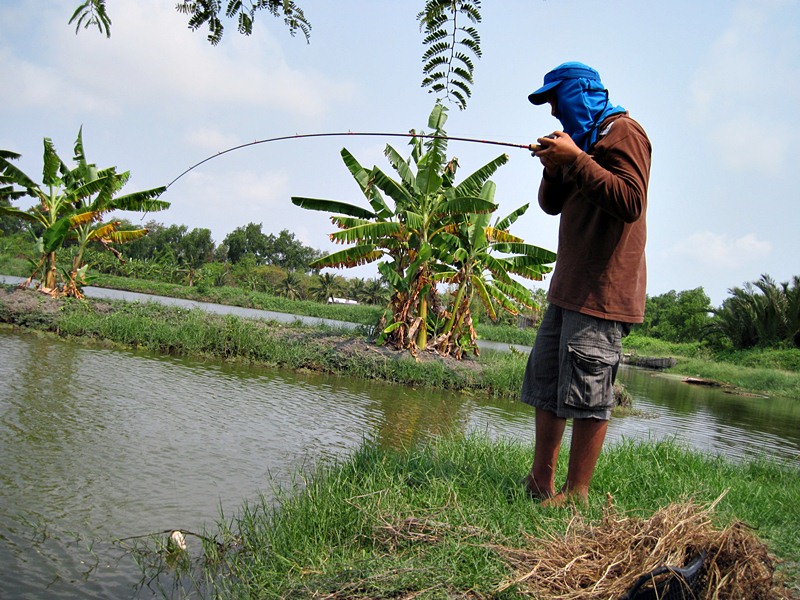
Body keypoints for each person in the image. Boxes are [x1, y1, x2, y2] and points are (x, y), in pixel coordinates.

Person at [521, 61, 652, 507]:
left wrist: (576, 159)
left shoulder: (624, 133)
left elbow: (630, 201)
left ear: (582, 93)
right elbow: (549, 206)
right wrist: (554, 166)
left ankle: (576, 494)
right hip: (567, 288)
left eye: (558, 101)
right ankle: (541, 481)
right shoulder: (583, 142)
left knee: (588, 392)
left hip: (602, 293)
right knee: (546, 382)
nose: (555, 114)